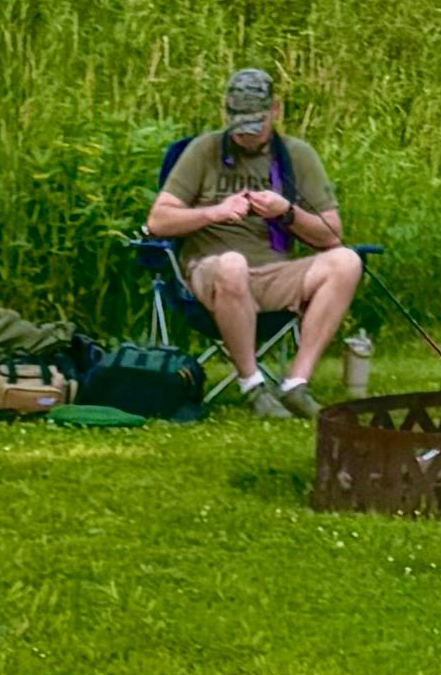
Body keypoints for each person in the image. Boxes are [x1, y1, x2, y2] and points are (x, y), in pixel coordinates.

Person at [145, 68, 365, 420]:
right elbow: (158, 220)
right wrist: (215, 212)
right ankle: (252, 385)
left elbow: (331, 234)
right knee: (232, 264)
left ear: (274, 110)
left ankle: (295, 383)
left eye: (255, 124)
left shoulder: (296, 156)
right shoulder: (203, 150)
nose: (245, 135)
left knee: (347, 261)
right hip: (211, 274)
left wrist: (286, 212)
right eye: (239, 123)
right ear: (226, 113)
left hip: (274, 273)